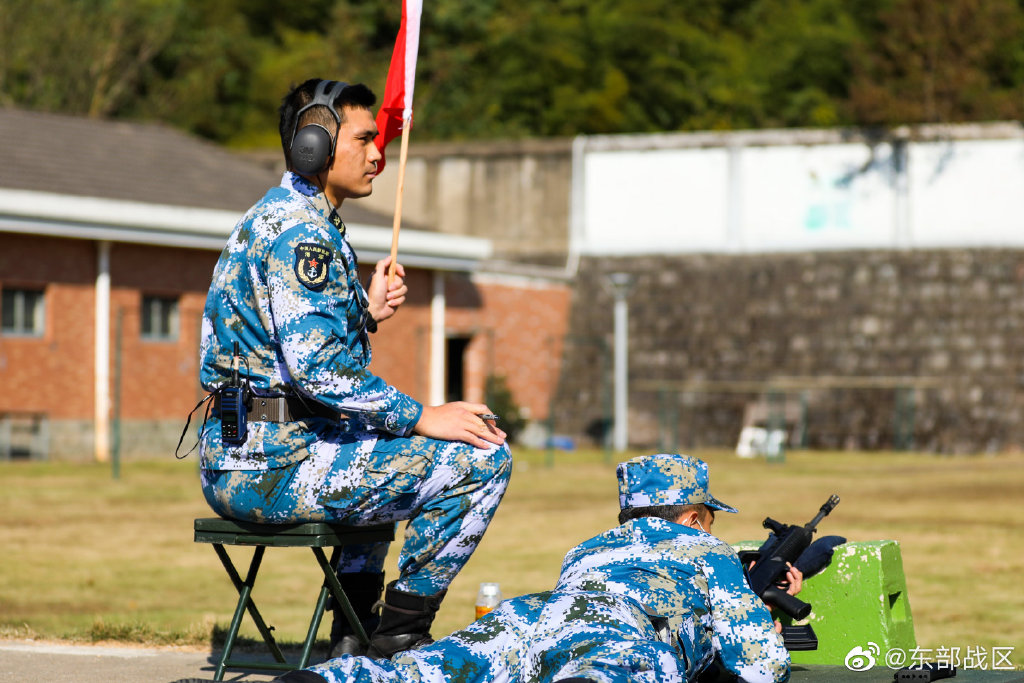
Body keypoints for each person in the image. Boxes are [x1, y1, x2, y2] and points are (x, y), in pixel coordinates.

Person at [197, 77, 512, 659]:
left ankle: (354, 633)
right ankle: (398, 635)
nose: (379, 154)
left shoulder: (294, 218)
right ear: (314, 145)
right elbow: (318, 372)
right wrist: (423, 416)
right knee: (483, 458)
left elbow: (298, 357)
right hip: (269, 466)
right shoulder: (302, 235)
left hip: (258, 451)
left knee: (379, 438)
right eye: (366, 139)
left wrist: (365, 314)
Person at [268, 454, 792, 683]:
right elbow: (758, 669)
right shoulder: (707, 550)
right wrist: (771, 627)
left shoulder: (587, 549)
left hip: (527, 614)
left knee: (420, 672)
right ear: (696, 517)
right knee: (608, 675)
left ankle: (323, 681)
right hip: (621, 630)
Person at [555, 454, 792, 683]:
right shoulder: (709, 549)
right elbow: (764, 668)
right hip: (631, 665)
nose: (709, 533)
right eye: (709, 524)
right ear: (691, 520)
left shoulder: (578, 553)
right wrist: (768, 635)